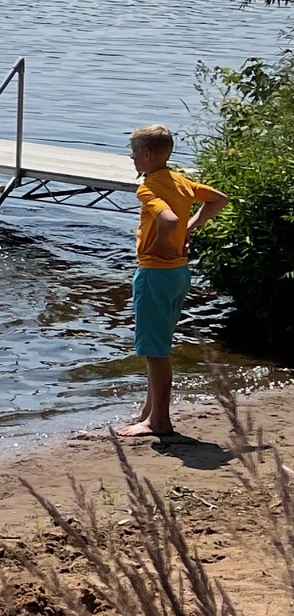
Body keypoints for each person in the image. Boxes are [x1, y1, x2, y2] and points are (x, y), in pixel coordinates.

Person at [117, 125, 227, 439]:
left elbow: (168, 219)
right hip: (179, 273)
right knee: (160, 344)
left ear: (147, 155)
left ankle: (159, 422)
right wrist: (190, 228)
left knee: (155, 351)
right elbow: (219, 199)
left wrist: (163, 243)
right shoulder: (179, 180)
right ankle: (148, 413)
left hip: (155, 273)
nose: (132, 157)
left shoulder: (147, 188)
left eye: (134, 152)